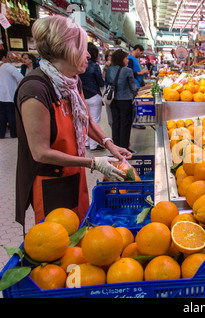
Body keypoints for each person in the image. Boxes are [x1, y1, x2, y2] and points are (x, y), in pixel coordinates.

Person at [14, 15, 131, 226]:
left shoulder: (71, 83)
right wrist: (93, 162)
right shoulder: (35, 89)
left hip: (75, 171)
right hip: (51, 182)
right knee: (59, 237)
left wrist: (108, 144)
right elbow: (40, 152)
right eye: (81, 48)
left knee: (80, 229)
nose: (87, 54)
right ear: (65, 50)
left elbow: (84, 119)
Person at [105, 49, 137, 153]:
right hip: (125, 100)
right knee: (125, 124)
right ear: (122, 59)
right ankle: (124, 148)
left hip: (113, 100)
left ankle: (116, 147)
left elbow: (106, 83)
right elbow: (133, 87)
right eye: (126, 58)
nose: (128, 60)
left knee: (116, 123)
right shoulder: (127, 70)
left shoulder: (109, 70)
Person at [79, 42, 105, 151]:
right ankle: (94, 144)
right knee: (94, 120)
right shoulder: (95, 66)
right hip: (94, 95)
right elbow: (100, 83)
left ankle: (86, 143)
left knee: (84, 120)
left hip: (81, 96)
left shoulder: (78, 65)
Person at [0, 49, 23, 138]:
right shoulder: (7, 66)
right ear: (4, 57)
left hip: (1, 96)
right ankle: (14, 133)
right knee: (12, 114)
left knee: (2, 115)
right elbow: (20, 77)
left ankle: (1, 133)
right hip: (9, 95)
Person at [128, 44, 149, 130]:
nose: (141, 54)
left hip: (137, 84)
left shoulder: (134, 59)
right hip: (134, 85)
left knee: (136, 104)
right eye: (141, 52)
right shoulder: (130, 59)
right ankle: (134, 122)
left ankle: (135, 121)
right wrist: (140, 73)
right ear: (137, 49)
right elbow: (129, 72)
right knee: (135, 105)